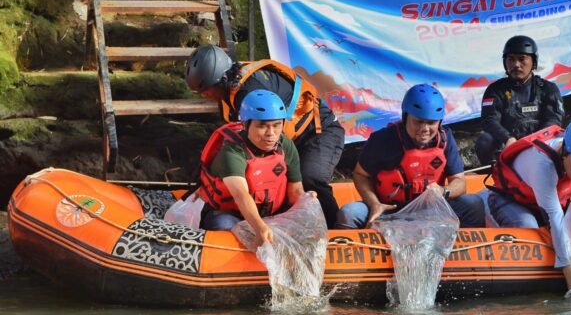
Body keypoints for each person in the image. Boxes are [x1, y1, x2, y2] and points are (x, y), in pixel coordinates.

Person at [186, 44, 345, 228]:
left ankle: (335, 232)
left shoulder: (252, 93)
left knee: (311, 178)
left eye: (206, 90)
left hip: (318, 131)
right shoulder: (229, 92)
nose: (204, 95)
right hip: (283, 136)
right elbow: (235, 139)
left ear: (221, 79)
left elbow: (269, 138)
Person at [487, 114, 571, 292]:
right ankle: (490, 217)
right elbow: (555, 216)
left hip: (542, 203)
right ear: (566, 152)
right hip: (510, 201)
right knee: (529, 226)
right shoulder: (542, 164)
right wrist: (570, 273)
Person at [336, 84, 485, 229]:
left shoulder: (446, 139)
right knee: (349, 214)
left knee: (474, 204)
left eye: (431, 123)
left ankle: (461, 250)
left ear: (440, 122)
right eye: (418, 122)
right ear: (406, 117)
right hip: (389, 209)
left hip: (431, 211)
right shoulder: (382, 139)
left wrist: (443, 191)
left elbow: (459, 182)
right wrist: (374, 203)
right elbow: (361, 175)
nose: (425, 129)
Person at [198, 89, 313, 247]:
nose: (271, 134)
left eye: (277, 125)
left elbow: (295, 191)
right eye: (262, 126)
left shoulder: (286, 145)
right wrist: (260, 228)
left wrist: (305, 199)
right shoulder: (232, 152)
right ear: (246, 125)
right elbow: (241, 195)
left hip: (272, 216)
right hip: (233, 215)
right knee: (222, 223)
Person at [475, 35, 564, 166]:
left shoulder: (548, 88)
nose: (516, 64)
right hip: (509, 146)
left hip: (541, 144)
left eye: (522, 59)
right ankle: (496, 176)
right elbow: (489, 120)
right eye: (511, 59)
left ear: (534, 62)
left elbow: (555, 119)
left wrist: (536, 140)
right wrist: (508, 138)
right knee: (484, 140)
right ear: (505, 62)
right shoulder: (495, 90)